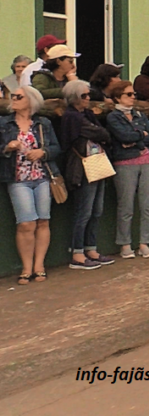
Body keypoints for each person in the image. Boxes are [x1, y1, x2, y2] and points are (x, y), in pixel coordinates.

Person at [0, 86, 60, 284]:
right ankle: (26, 267)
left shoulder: (43, 123)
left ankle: (39, 265)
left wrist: (42, 153)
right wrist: (7, 147)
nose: (14, 99)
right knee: (26, 222)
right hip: (17, 178)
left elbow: (55, 148)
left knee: (43, 220)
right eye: (13, 96)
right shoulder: (4, 123)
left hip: (41, 176)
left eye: (19, 96)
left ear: (31, 101)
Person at [60, 79, 114, 270]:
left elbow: (103, 133)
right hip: (82, 167)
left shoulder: (88, 114)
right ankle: (77, 252)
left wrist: (97, 132)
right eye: (84, 96)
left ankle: (91, 248)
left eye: (88, 94)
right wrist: (97, 132)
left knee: (96, 210)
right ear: (74, 97)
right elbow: (99, 133)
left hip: (97, 164)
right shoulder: (71, 117)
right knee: (84, 211)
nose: (88, 99)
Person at [105, 80, 149, 259]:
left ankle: (145, 242)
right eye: (128, 94)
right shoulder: (113, 117)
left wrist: (133, 140)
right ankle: (125, 244)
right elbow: (122, 135)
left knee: (147, 205)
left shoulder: (140, 115)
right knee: (125, 205)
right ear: (117, 97)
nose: (133, 97)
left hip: (147, 161)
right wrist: (139, 136)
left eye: (133, 94)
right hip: (125, 163)